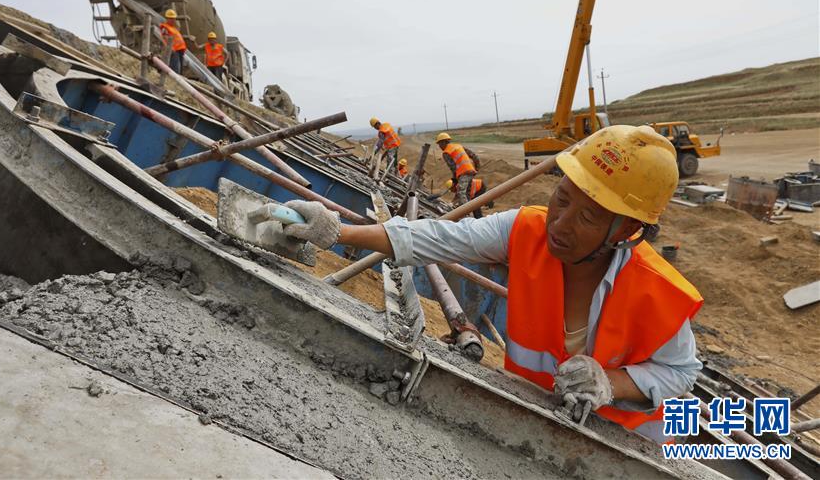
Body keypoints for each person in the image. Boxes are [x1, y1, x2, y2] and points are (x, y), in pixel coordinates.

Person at [280, 125, 703, 443]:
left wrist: (612, 383)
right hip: (534, 422)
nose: (561, 222)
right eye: (563, 197)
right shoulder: (526, 230)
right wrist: (338, 230)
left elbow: (681, 372)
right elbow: (437, 237)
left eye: (588, 217)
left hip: (621, 445)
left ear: (627, 229)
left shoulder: (656, 290)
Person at [436, 132, 481, 206]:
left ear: (444, 142)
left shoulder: (446, 152)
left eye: (440, 144)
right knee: (467, 193)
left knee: (461, 192)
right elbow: (474, 155)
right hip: (471, 171)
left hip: (463, 173)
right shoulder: (458, 146)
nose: (439, 146)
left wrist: (454, 180)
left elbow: (453, 168)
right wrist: (477, 167)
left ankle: (466, 211)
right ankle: (469, 210)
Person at [159, 9, 187, 74]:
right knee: (175, 68)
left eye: (174, 18)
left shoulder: (173, 28)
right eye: (171, 18)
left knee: (180, 70)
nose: (173, 20)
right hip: (174, 50)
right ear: (167, 18)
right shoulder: (165, 27)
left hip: (180, 50)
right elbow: (165, 38)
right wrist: (170, 48)